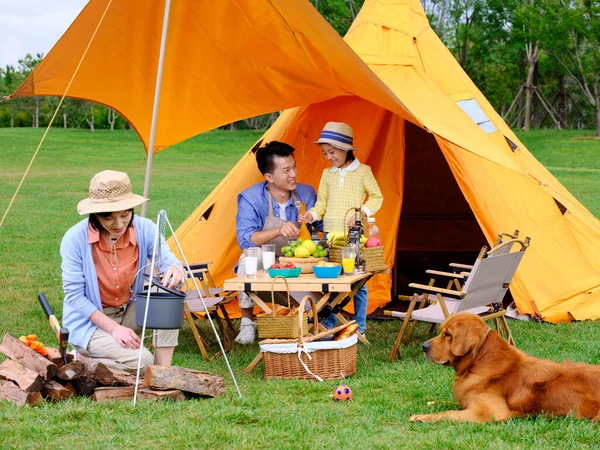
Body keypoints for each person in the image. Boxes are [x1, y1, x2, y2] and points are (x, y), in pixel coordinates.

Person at [61, 170, 185, 374]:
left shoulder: (145, 228)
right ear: (95, 214)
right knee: (144, 361)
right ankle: (81, 360)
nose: (118, 224)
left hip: (128, 311)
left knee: (168, 293)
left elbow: (167, 260)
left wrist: (175, 268)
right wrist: (114, 329)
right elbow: (75, 297)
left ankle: (163, 372)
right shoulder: (75, 238)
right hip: (90, 323)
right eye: (108, 217)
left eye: (125, 214)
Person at [299, 122, 383, 336]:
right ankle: (328, 323)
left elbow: (377, 196)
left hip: (354, 236)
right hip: (329, 235)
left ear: (345, 149)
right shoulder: (327, 174)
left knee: (357, 283)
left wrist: (361, 212)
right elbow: (322, 204)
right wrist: (312, 214)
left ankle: (360, 327)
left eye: (332, 151)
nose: (328, 156)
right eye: (325, 152)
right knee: (328, 281)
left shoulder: (364, 172)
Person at [235, 141, 318, 344]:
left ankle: (307, 320)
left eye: (294, 167)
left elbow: (319, 230)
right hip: (265, 255)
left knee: (314, 305)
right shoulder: (251, 198)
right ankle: (247, 322)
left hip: (298, 260)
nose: (293, 175)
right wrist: (278, 230)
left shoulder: (306, 194)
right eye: (286, 170)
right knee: (248, 259)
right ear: (269, 177)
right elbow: (246, 239)